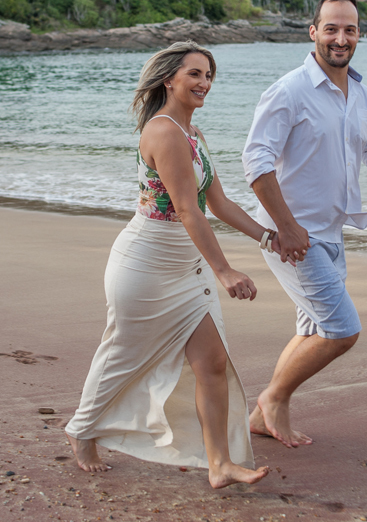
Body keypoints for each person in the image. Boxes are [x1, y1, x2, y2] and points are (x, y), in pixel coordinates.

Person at [66, 41, 273, 488]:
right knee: (123, 353)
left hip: (184, 265)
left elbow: (217, 203)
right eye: (195, 74)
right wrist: (225, 271)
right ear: (169, 80)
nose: (205, 83)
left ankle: (219, 465)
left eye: (209, 75)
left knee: (213, 362)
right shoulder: (163, 132)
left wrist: (268, 237)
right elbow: (186, 211)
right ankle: (82, 430)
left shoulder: (194, 135)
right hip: (145, 266)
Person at [241, 0, 367, 449]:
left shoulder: (362, 95)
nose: (341, 38)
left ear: (360, 35)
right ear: (313, 31)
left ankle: (264, 415)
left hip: (332, 231)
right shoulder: (289, 90)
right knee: (342, 329)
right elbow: (256, 163)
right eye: (332, 28)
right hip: (292, 236)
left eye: (350, 30)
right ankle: (273, 399)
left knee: (312, 328)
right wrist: (285, 227)